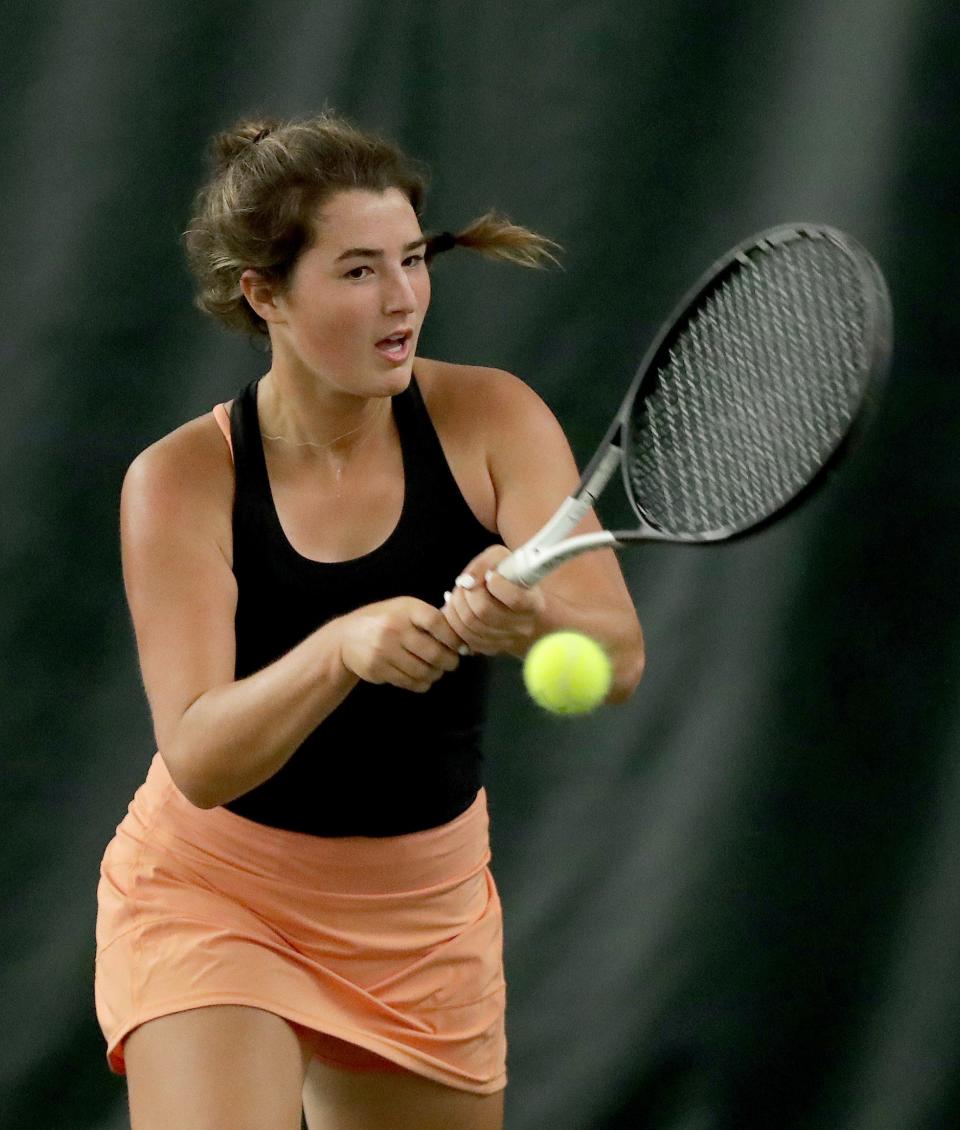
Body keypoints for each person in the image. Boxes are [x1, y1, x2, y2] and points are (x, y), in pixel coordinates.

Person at [94, 111, 644, 1130]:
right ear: (265, 295)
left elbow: (616, 658)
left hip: (422, 911)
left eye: (411, 260)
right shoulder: (179, 481)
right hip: (216, 891)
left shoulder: (495, 419)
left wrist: (529, 621)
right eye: (356, 272)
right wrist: (341, 648)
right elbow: (200, 756)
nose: (402, 300)